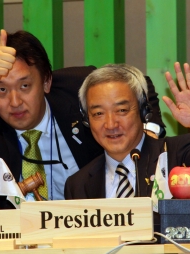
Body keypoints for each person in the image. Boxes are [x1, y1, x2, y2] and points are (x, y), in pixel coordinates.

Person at [0, 29, 165, 208]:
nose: (14, 101)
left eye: (25, 86)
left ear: (46, 82)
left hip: (90, 227)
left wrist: (148, 136)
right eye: (0, 90)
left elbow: (137, 85)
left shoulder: (76, 89)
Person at [64, 63, 190, 200]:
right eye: (98, 113)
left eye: (122, 110)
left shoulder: (178, 155)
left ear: (144, 111)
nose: (111, 124)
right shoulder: (77, 186)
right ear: (87, 120)